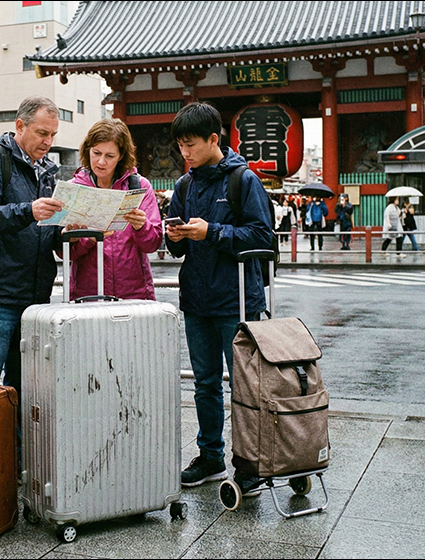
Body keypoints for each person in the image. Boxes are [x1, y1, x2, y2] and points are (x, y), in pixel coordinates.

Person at [163, 102, 274, 489]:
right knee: (205, 383)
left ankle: (251, 463)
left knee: (245, 385)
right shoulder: (185, 185)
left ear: (215, 139)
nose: (186, 153)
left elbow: (263, 238)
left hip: (238, 300)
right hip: (196, 299)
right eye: (180, 146)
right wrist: (173, 236)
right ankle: (211, 456)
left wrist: (212, 232)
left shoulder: (243, 181)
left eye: (191, 144)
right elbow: (177, 248)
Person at [0, 95, 63, 406]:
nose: (48, 142)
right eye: (42, 133)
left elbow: (46, 230)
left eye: (52, 135)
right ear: (20, 126)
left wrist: (70, 228)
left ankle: (15, 455)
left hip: (33, 297)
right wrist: (28, 211)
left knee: (23, 388)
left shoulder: (47, 171)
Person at [66, 118, 162, 300]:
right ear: (88, 150)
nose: (101, 162)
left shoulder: (138, 186)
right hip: (87, 296)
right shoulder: (75, 189)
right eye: (96, 153)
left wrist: (142, 227)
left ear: (121, 156)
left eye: (110, 156)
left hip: (134, 294)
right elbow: (64, 252)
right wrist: (89, 236)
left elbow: (153, 244)